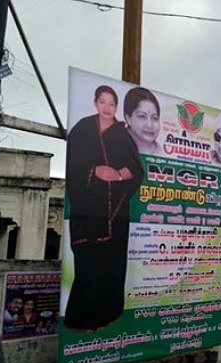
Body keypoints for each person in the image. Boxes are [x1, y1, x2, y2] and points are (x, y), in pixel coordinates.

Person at [64, 85, 144, 331]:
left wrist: (120, 175)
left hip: (116, 213)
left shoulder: (122, 134)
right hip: (88, 211)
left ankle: (109, 314)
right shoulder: (82, 130)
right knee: (88, 264)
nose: (107, 108)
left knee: (112, 266)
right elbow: (72, 165)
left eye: (112, 104)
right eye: (103, 102)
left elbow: (137, 169)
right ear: (95, 102)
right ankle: (83, 320)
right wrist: (95, 171)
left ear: (116, 107)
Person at [124, 87, 163, 156]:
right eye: (142, 116)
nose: (149, 125)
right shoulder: (114, 145)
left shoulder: (163, 155)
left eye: (155, 118)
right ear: (128, 119)